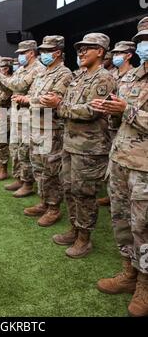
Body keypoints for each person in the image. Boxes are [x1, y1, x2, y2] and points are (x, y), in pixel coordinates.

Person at [91, 17, 148, 317]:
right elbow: (122, 118)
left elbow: (134, 114)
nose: (143, 45)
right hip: (122, 160)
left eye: (146, 39)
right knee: (121, 220)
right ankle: (129, 271)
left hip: (145, 168)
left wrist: (127, 110)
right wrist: (110, 110)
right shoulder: (131, 77)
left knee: (145, 229)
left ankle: (145, 285)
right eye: (140, 40)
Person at [42, 33, 115, 258]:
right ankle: (74, 228)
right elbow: (72, 106)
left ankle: (84, 238)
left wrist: (59, 105)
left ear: (100, 51)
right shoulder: (79, 77)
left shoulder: (104, 78)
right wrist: (58, 104)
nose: (81, 52)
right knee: (69, 189)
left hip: (90, 148)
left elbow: (91, 111)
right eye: (80, 48)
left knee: (84, 194)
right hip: (71, 143)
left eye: (87, 48)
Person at [16, 36, 72, 227]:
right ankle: (43, 201)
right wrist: (31, 98)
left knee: (51, 169)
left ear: (57, 52)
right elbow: (36, 95)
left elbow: (51, 100)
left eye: (48, 51)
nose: (43, 54)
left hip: (50, 127)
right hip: (36, 125)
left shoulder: (63, 73)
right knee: (38, 167)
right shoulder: (43, 73)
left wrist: (28, 100)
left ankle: (54, 208)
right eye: (43, 50)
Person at [0, 41, 45, 198]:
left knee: (25, 150)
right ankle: (20, 178)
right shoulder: (22, 68)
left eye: (22, 53)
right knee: (16, 149)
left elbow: (18, 85)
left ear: (31, 53)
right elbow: (11, 86)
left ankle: (27, 183)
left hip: (28, 116)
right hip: (17, 114)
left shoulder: (38, 69)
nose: (19, 56)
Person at [97, 40, 136, 207]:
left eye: (119, 53)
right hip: (109, 125)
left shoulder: (134, 76)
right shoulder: (111, 75)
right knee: (109, 162)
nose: (115, 56)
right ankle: (110, 193)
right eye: (114, 53)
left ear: (129, 55)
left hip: (127, 127)